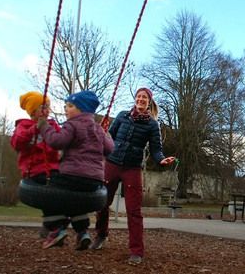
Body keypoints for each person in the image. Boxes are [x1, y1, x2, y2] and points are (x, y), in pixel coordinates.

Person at [92, 87, 175, 265]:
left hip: (132, 168)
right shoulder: (122, 116)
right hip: (112, 163)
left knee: (134, 211)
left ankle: (136, 251)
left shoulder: (153, 125)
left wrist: (161, 160)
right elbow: (109, 138)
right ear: (135, 99)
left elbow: (156, 150)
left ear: (149, 102)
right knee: (101, 202)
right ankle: (101, 235)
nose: (141, 99)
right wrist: (102, 133)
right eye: (138, 96)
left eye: (144, 97)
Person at [38, 90, 114, 250]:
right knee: (77, 203)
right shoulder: (98, 129)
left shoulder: (72, 124)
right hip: (94, 181)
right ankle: (83, 234)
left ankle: (56, 229)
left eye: (70, 105)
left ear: (82, 109)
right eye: (65, 105)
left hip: (72, 176)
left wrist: (44, 127)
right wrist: (105, 134)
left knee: (47, 194)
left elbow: (57, 141)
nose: (66, 108)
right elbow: (110, 149)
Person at [10, 91, 65, 243]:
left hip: (53, 168)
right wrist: (34, 129)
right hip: (34, 170)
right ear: (32, 111)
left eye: (48, 107)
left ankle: (52, 228)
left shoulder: (53, 126)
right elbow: (17, 143)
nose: (47, 110)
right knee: (50, 193)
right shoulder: (24, 125)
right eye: (43, 107)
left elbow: (62, 140)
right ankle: (53, 227)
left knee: (61, 191)